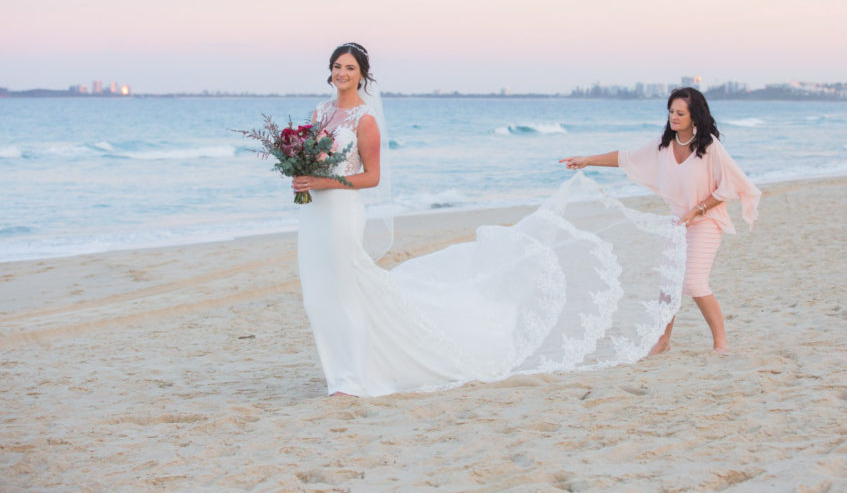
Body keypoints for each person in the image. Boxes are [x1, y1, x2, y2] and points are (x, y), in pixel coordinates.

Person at [287, 44, 690, 397]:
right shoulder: (321, 112)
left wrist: (322, 179)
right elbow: (314, 156)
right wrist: (300, 173)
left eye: (350, 68)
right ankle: (337, 371)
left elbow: (370, 178)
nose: (342, 73)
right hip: (314, 213)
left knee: (346, 292)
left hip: (341, 212)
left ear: (362, 75)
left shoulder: (365, 119)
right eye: (337, 67)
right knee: (318, 295)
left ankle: (351, 380)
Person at [560, 87, 760, 354]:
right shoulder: (664, 144)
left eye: (680, 113)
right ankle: (663, 341)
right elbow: (625, 158)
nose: (673, 118)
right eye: (671, 112)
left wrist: (697, 210)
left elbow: (728, 187)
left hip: (706, 220)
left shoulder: (709, 146)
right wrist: (587, 160)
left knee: (694, 283)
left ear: (694, 116)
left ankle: (720, 343)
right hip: (678, 222)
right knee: (668, 284)